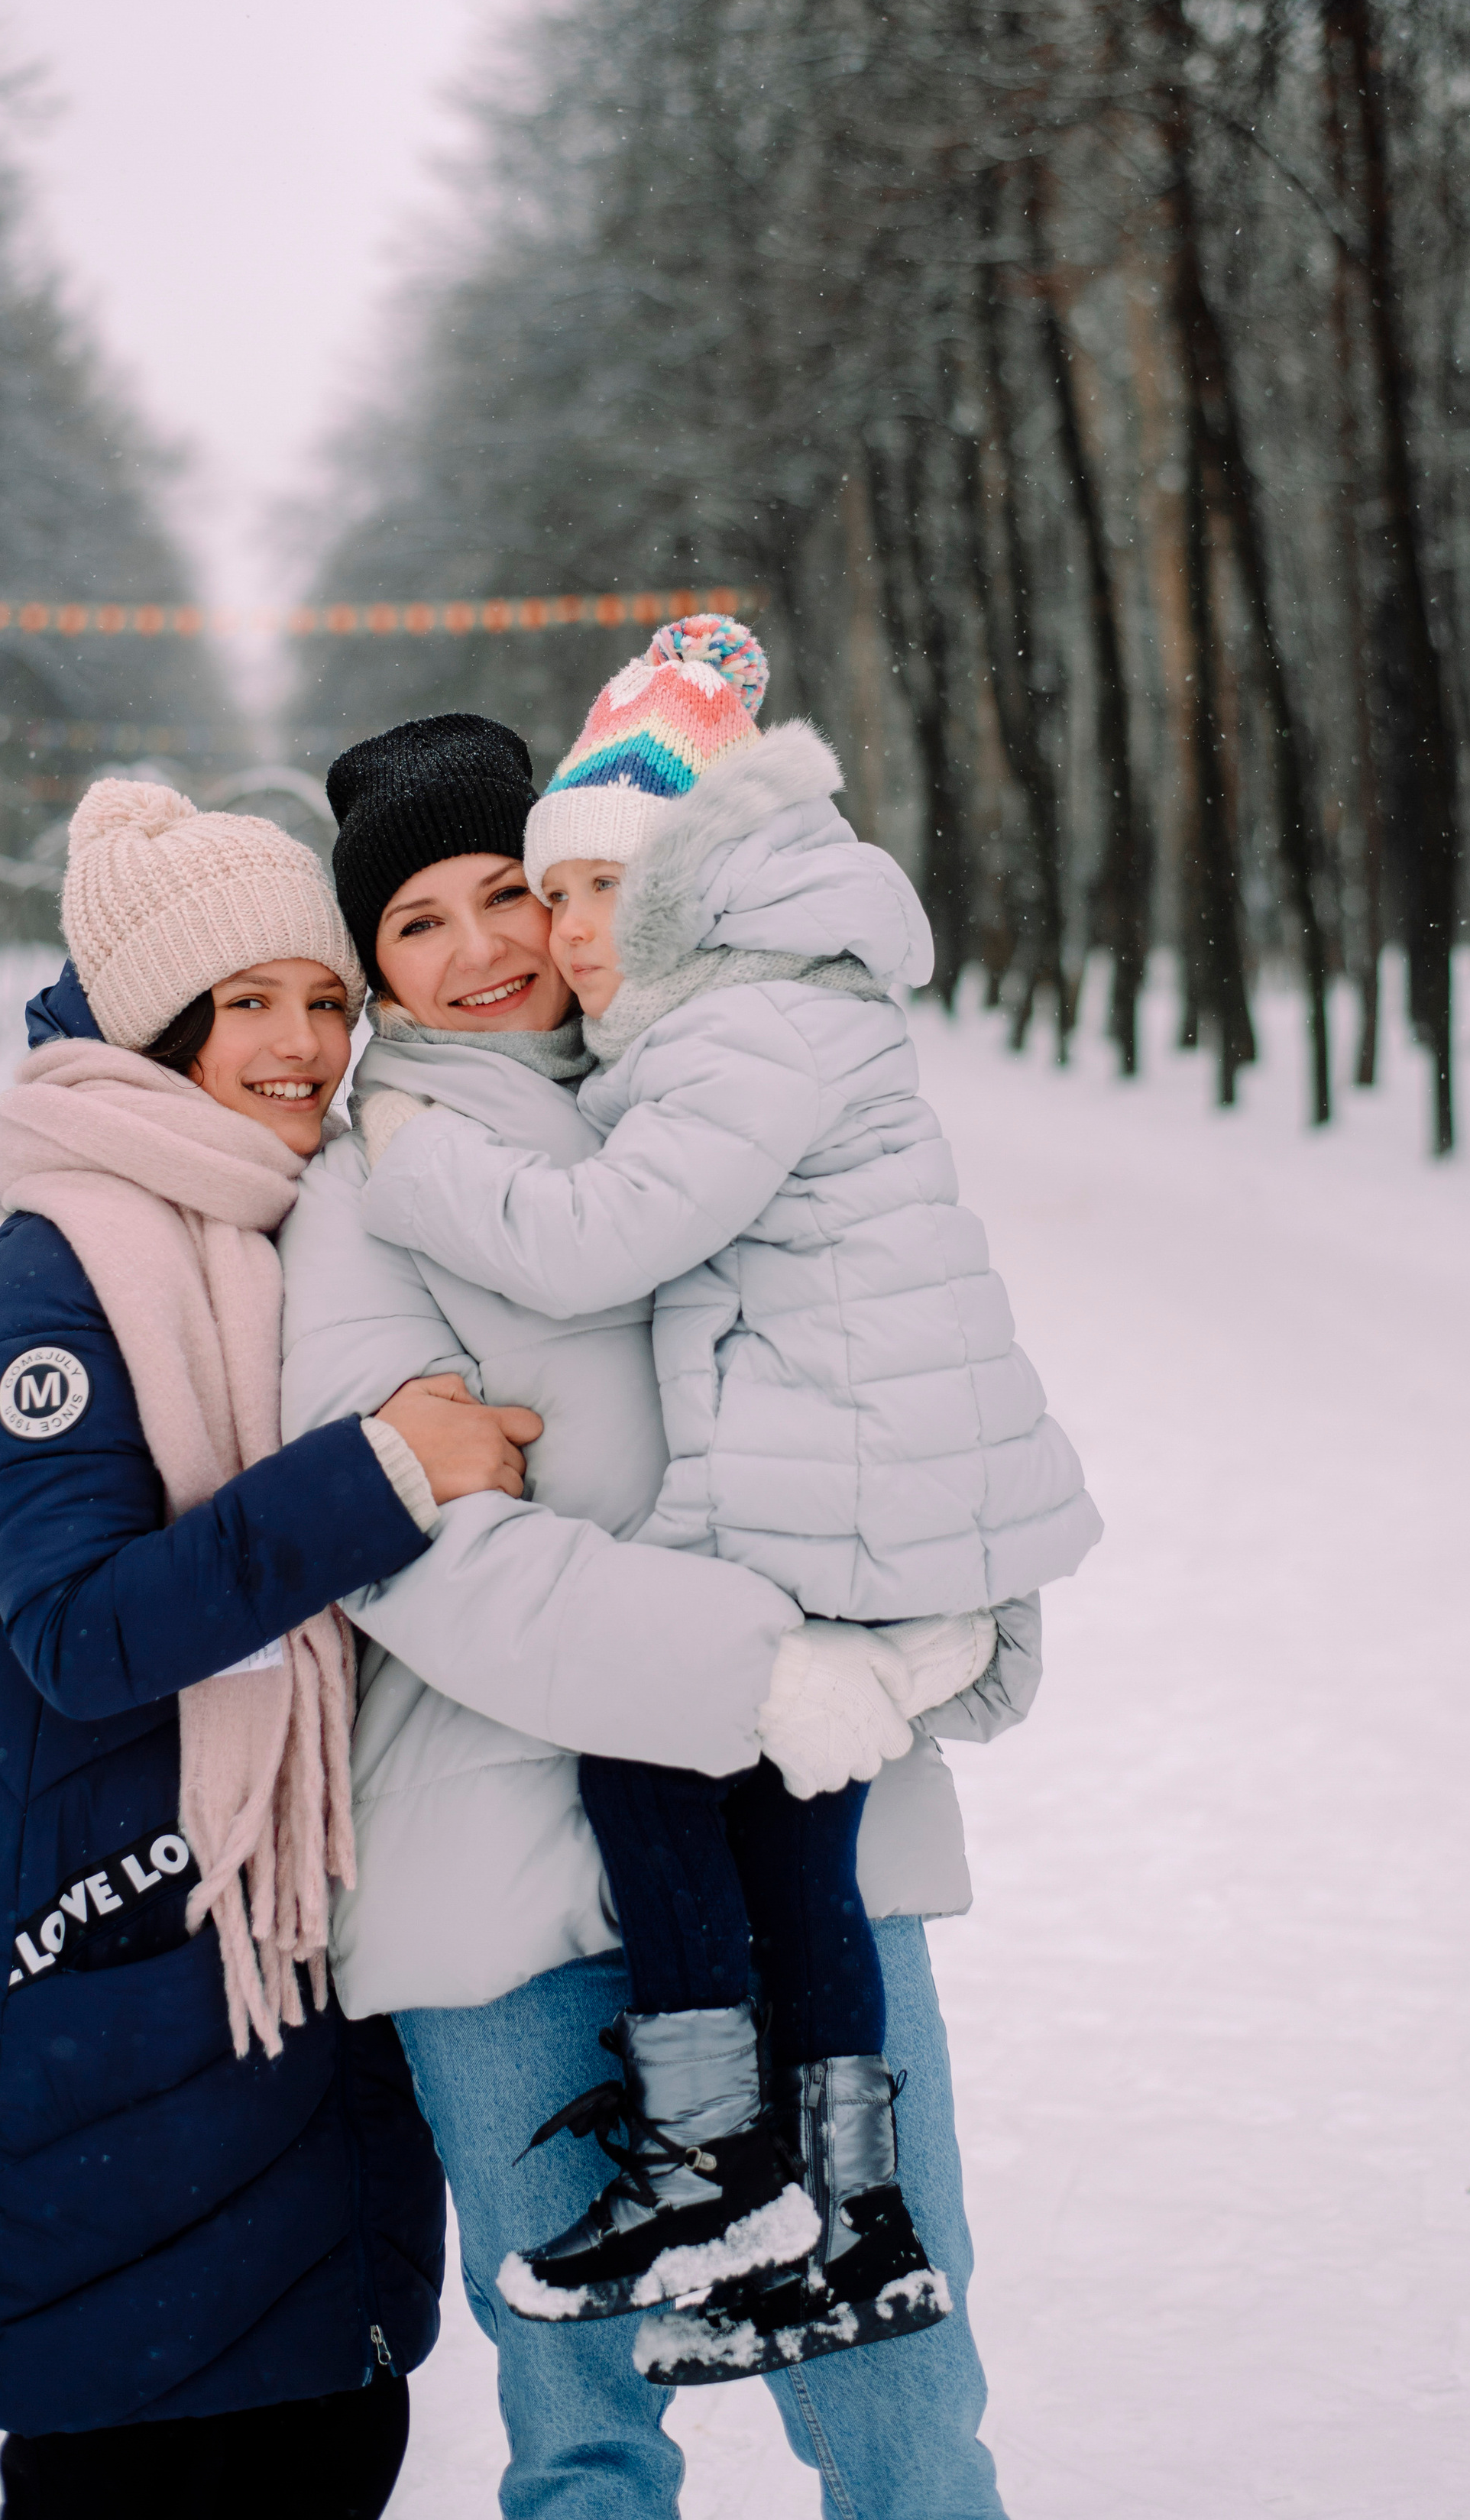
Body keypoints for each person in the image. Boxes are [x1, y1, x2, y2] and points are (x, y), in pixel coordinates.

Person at [280, 710, 1041, 2519]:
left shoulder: (721, 1080)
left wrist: (932, 1622)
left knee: (903, 2411)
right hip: (505, 1864)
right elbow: (410, 1545)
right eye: (416, 925)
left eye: (509, 894)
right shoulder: (373, 1187)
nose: (483, 952)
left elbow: (901, 1388)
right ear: (371, 963)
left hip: (800, 1841)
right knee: (591, 2432)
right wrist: (758, 1670)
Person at [0, 776, 538, 2518]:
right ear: (154, 1019)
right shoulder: (66, 1267)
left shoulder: (281, 1228)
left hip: (275, 1978)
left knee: (320, 2446)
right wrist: (388, 1471)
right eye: (245, 1001)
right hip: (110, 1986)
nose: (298, 1043)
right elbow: (82, 1633)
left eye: (324, 997)